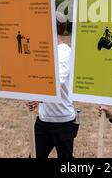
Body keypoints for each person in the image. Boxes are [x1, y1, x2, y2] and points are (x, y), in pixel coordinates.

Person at [26, 11, 78, 158]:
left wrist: (38, 98)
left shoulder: (65, 52)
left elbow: (57, 81)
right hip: (43, 119)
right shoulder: (43, 51)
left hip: (63, 120)